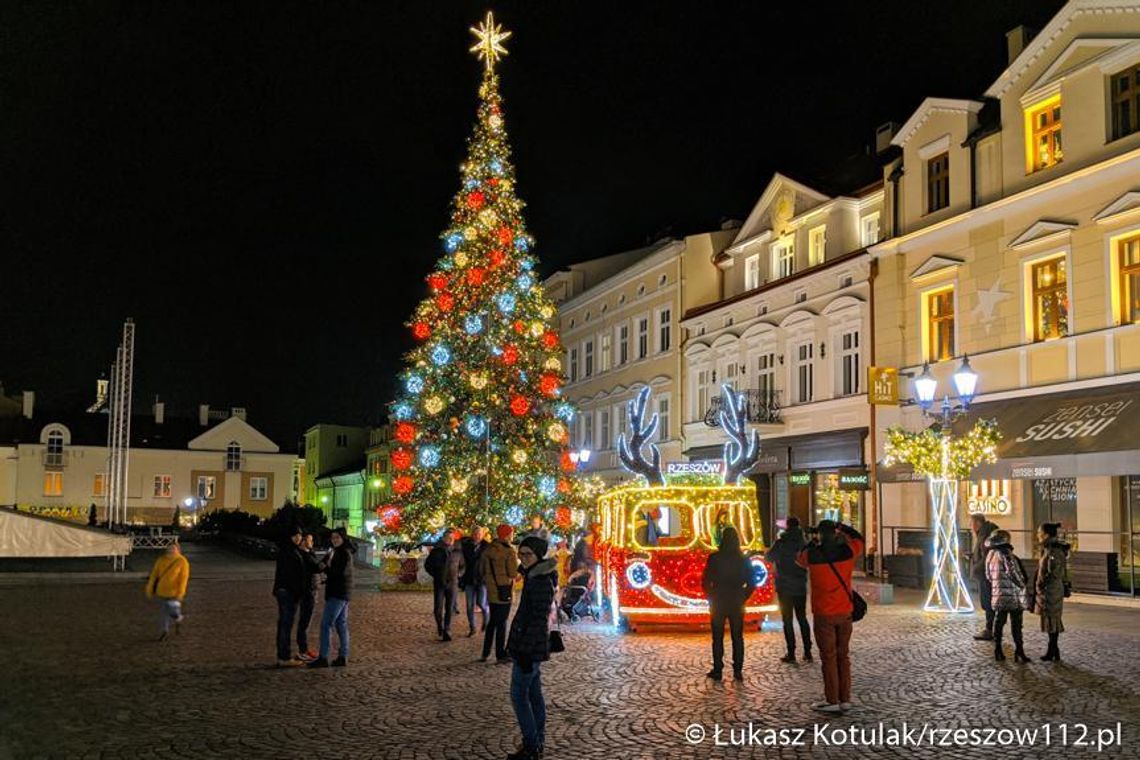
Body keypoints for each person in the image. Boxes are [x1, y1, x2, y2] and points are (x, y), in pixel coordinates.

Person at [797, 520, 864, 714]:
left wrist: (812, 541)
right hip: (845, 612)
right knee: (843, 656)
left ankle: (832, 699)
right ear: (835, 534)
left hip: (823, 613)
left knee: (829, 657)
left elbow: (799, 558)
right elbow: (859, 538)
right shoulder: (848, 552)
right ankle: (845, 699)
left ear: (820, 535)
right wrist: (842, 526)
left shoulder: (812, 555)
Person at [506, 536, 558, 760]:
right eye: (521, 553)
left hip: (529, 648)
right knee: (534, 694)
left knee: (519, 696)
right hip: (531, 646)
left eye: (527, 554)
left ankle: (531, 744)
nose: (523, 558)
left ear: (538, 555)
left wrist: (525, 651)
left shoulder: (539, 580)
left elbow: (537, 619)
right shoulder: (535, 576)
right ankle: (537, 741)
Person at [701, 525, 756, 681]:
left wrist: (711, 595)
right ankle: (738, 669)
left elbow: (705, 580)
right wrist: (743, 596)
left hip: (718, 599)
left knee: (717, 637)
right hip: (736, 599)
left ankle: (718, 669)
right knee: (737, 637)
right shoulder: (743, 559)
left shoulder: (715, 558)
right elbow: (752, 582)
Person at [309, 527, 355, 668]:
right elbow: (321, 565)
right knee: (340, 624)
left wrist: (327, 568)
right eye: (333, 537)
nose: (334, 540)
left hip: (338, 593)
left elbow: (339, 573)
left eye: (337, 537)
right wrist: (320, 567)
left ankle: (323, 657)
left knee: (326, 624)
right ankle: (343, 656)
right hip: (340, 592)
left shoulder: (344, 553)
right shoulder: (333, 551)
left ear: (343, 538)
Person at [768, 517, 812, 663]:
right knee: (802, 618)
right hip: (800, 586)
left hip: (784, 587)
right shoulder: (803, 543)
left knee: (787, 620)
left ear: (787, 527)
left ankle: (791, 652)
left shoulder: (781, 543)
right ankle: (807, 651)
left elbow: (769, 557)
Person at [984, 529, 1029, 663]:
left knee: (999, 622)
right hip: (1013, 596)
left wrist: (997, 586)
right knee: (1016, 624)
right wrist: (1023, 585)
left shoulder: (990, 554)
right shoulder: (1006, 554)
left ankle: (998, 649)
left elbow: (988, 576)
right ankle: (1019, 651)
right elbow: (1013, 573)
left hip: (998, 595)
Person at [480, 523, 519, 662]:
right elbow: (513, 573)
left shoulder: (488, 549)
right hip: (504, 590)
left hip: (491, 590)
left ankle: (485, 652)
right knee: (501, 622)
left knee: (493, 621)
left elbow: (482, 570)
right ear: (508, 535)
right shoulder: (509, 551)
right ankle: (500, 654)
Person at [1035, 522, 1070, 662]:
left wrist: (1042, 582)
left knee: (1052, 618)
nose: (1037, 535)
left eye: (1039, 532)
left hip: (1052, 590)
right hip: (1049, 589)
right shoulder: (1048, 548)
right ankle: (1053, 649)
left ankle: (1053, 649)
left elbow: (1053, 571)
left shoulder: (1053, 550)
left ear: (1046, 534)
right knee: (1050, 619)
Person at [272, 527, 307, 667]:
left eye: (300, 535)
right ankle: (284, 657)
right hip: (288, 592)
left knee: (284, 624)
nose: (298, 538)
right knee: (286, 624)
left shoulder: (289, 549)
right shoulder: (289, 551)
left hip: (285, 591)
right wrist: (297, 592)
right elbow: (291, 575)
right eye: (295, 535)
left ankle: (283, 655)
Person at [424, 529, 465, 641]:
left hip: (452, 584)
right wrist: (436, 574)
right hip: (439, 583)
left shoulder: (457, 552)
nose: (450, 540)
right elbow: (427, 565)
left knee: (449, 608)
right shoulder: (436, 551)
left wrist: (459, 574)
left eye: (452, 538)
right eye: (448, 538)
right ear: (443, 538)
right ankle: (440, 627)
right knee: (438, 609)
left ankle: (447, 629)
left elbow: (462, 566)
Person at [145, 541, 190, 641]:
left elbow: (183, 579)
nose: (171, 550)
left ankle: (178, 617)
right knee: (163, 613)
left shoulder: (182, 561)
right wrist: (149, 588)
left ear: (178, 549)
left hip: (174, 592)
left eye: (173, 548)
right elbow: (154, 575)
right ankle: (164, 631)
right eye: (169, 548)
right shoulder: (161, 560)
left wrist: (181, 592)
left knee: (173, 611)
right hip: (161, 591)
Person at [969, 514, 999, 640]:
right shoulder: (985, 533)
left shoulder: (985, 535)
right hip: (987, 572)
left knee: (988, 601)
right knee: (990, 601)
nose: (970, 527)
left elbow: (986, 556)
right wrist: (972, 556)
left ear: (978, 523)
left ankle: (989, 629)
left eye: (971, 524)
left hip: (986, 574)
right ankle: (993, 628)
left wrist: (976, 568)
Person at [460, 526, 490, 637]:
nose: (477, 535)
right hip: (469, 579)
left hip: (482, 579)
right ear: (472, 534)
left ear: (482, 534)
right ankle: (472, 627)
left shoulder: (487, 546)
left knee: (482, 603)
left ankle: (486, 621)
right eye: (475, 533)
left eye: (479, 533)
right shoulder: (466, 545)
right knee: (469, 605)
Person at [296, 532, 321, 660]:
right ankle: (302, 650)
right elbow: (317, 567)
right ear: (304, 541)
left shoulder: (308, 554)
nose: (312, 543)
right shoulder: (303, 555)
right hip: (308, 591)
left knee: (306, 621)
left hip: (312, 589)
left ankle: (303, 649)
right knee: (304, 621)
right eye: (310, 540)